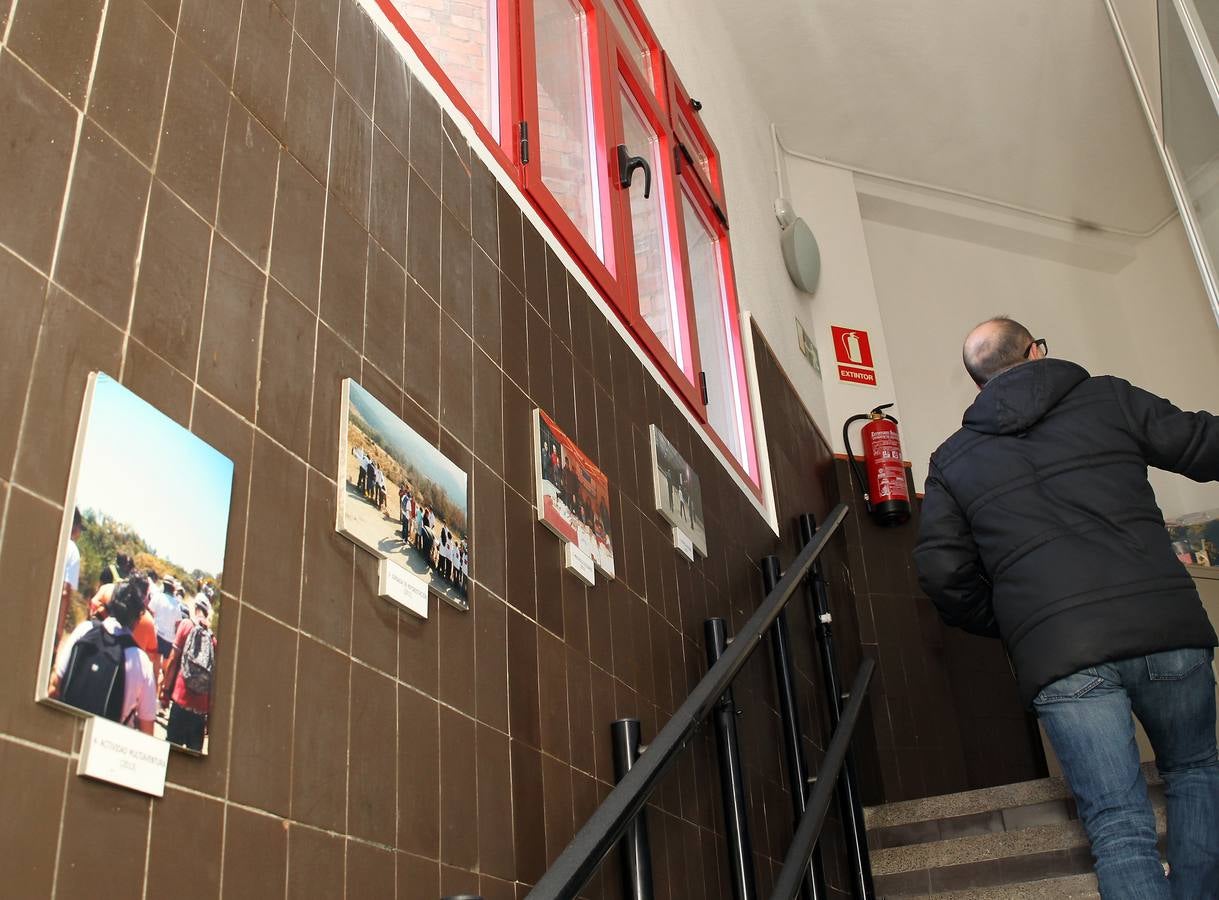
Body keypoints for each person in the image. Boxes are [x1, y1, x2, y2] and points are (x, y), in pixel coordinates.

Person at [913, 316, 1219, 899]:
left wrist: (1024, 623)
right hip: (1166, 630)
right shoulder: (1109, 398)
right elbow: (1205, 445)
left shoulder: (952, 460)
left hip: (1063, 658)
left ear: (978, 383)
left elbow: (943, 574)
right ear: (1037, 352)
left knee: (1117, 825)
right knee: (1195, 771)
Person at [49, 576, 158, 734]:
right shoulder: (141, 661)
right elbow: (147, 730)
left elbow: (54, 686)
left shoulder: (84, 630)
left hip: (65, 730)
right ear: (137, 618)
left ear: (111, 603)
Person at [160, 595, 216, 752]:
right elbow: (213, 684)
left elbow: (172, 660)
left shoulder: (186, 625)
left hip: (181, 701)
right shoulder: (213, 639)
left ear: (195, 608)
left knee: (171, 752)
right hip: (200, 710)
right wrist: (210, 717)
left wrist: (165, 690)